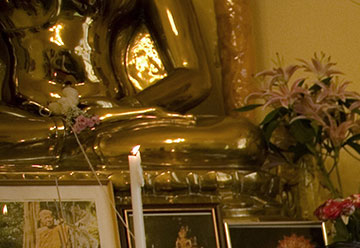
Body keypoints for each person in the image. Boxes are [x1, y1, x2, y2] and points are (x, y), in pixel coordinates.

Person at [0, 0, 261, 170]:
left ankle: (68, 151)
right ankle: (68, 148)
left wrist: (117, 112)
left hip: (114, 123)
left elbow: (193, 78)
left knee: (241, 138)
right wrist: (58, 128)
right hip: (23, 122)